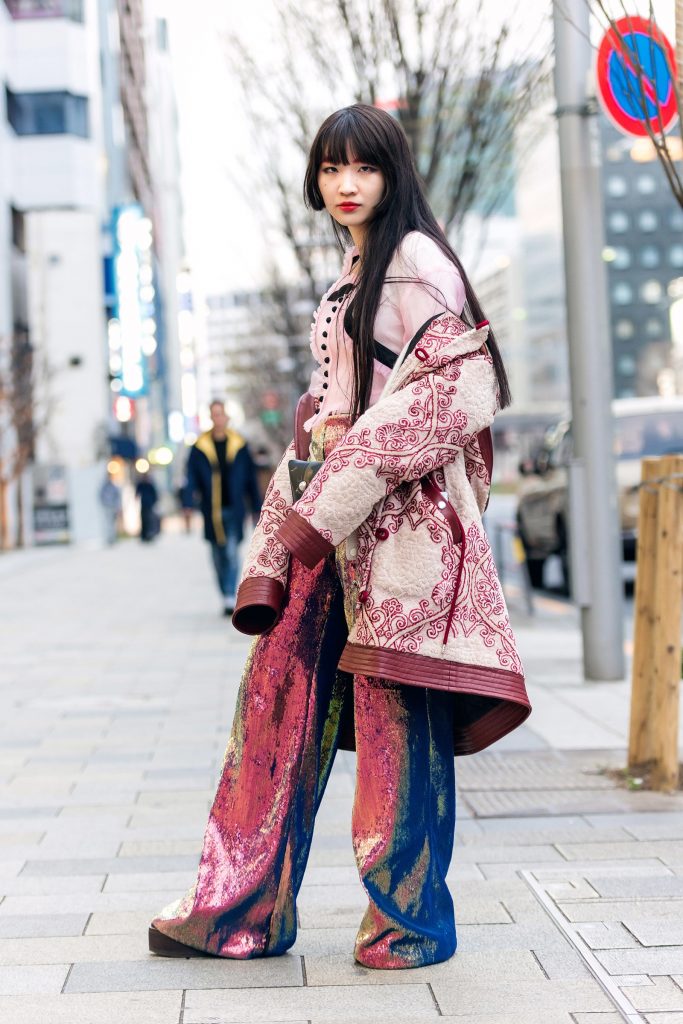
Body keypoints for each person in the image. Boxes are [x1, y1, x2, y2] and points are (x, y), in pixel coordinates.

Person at [149, 104, 531, 969]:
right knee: (276, 704)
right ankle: (240, 908)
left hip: (395, 538)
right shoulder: (354, 270)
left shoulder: (418, 264)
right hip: (334, 529)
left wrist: (334, 487)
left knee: (397, 722)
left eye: (363, 167)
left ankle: (410, 921)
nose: (345, 185)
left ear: (393, 174)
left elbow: (458, 396)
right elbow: (336, 408)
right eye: (330, 169)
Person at [182, 400, 262, 615]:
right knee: (217, 555)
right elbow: (190, 478)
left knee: (231, 551)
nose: (218, 418)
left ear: (226, 417)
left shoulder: (239, 445)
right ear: (210, 417)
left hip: (235, 510)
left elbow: (250, 479)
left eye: (221, 414)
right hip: (212, 511)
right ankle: (224, 592)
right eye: (214, 414)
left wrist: (257, 506)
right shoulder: (199, 447)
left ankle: (229, 595)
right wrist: (187, 504)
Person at [135, 471, 159, 542]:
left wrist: (154, 502)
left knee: (149, 520)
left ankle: (150, 534)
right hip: (143, 504)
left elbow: (155, 494)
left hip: (150, 505)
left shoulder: (150, 485)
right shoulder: (141, 484)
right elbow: (137, 493)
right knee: (143, 520)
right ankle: (144, 536)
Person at [99, 473, 121, 546]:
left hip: (113, 507)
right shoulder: (104, 487)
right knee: (107, 523)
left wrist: (117, 506)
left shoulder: (113, 486)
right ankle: (108, 538)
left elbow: (117, 496)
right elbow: (101, 495)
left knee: (112, 523)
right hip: (107, 506)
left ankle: (112, 538)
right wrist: (103, 503)